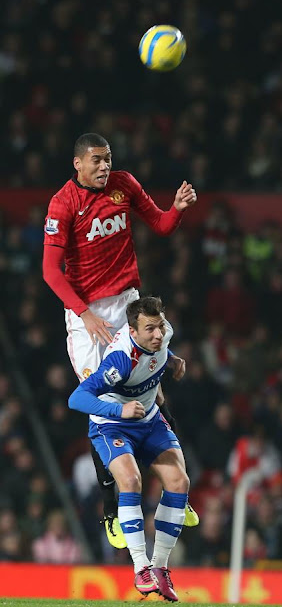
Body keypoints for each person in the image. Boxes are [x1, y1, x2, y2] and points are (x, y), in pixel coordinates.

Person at [42, 132, 198, 548]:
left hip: (128, 303)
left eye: (107, 158)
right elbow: (51, 272)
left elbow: (162, 224)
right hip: (86, 312)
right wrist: (85, 313)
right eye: (96, 160)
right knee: (104, 405)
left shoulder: (124, 185)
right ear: (77, 163)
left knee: (154, 390)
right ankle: (111, 513)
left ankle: (178, 494)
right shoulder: (63, 204)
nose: (104, 166)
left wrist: (177, 209)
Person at [68, 296, 189, 601]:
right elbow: (77, 399)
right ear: (133, 332)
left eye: (160, 326)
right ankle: (140, 567)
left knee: (179, 482)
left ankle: (160, 569)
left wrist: (171, 359)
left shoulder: (164, 335)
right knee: (132, 480)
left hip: (148, 418)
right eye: (150, 329)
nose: (158, 335)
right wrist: (117, 412)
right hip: (112, 424)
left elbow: (160, 351)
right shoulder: (120, 360)